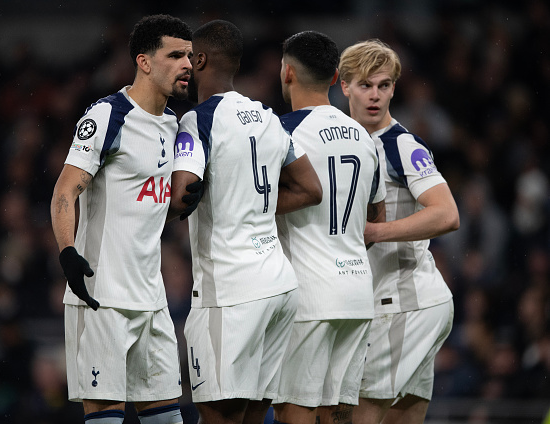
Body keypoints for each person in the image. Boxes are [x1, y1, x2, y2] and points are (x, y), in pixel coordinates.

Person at [168, 20, 323, 424]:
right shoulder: (267, 117)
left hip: (231, 291)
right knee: (253, 416)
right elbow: (311, 189)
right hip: (278, 286)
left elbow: (182, 193)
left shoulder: (198, 120)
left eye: (188, 57)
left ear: (201, 60)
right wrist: (254, 205)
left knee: (217, 416)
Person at [50, 14, 194, 424]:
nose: (187, 64)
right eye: (175, 55)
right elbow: (64, 192)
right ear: (144, 62)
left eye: (189, 55)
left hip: (152, 299)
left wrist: (184, 204)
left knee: (168, 418)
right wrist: (68, 253)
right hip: (103, 297)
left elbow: (151, 204)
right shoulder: (108, 115)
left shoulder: (174, 124)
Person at [338, 39, 460, 424]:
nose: (375, 95)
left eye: (384, 85)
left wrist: (376, 231)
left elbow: (447, 214)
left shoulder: (401, 145)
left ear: (394, 88)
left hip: (405, 304)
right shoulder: (344, 140)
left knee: (355, 413)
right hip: (401, 303)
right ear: (344, 86)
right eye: (365, 85)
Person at [271, 31, 386, 424]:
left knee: (294, 409)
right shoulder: (365, 138)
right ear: (336, 77)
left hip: (309, 295)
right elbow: (377, 218)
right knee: (337, 412)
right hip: (357, 291)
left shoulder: (281, 131)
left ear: (287, 73)